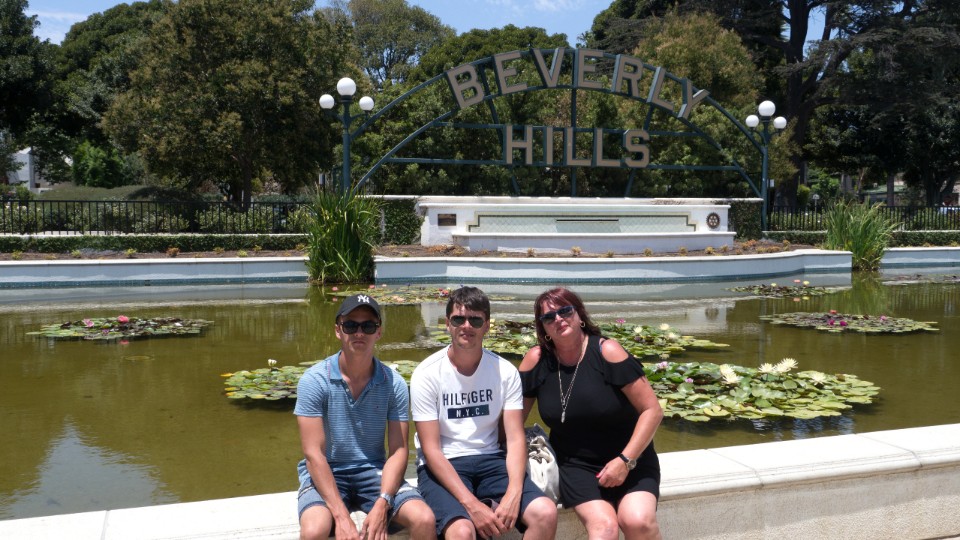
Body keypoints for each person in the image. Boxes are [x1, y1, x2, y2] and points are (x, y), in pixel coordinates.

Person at [410, 286, 558, 539]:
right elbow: (431, 450)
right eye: (458, 319)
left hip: (491, 460)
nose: (466, 326)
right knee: (462, 531)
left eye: (475, 320)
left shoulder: (505, 371)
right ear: (447, 324)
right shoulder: (426, 374)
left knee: (545, 512)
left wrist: (513, 492)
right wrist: (472, 505)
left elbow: (515, 438)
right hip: (444, 464)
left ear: (487, 326)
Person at [519, 287, 664, 540]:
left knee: (638, 521)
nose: (558, 319)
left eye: (565, 311)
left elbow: (652, 410)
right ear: (543, 327)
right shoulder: (537, 359)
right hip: (576, 465)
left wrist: (625, 461)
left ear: (579, 315)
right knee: (604, 528)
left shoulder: (607, 351)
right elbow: (513, 420)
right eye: (549, 317)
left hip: (631, 458)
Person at [294, 293, 436, 540]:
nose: (359, 333)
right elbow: (313, 454)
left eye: (368, 326)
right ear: (338, 330)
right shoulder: (314, 380)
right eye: (351, 325)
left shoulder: (394, 383)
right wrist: (341, 516)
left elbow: (399, 450)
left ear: (378, 332)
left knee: (424, 518)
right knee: (314, 530)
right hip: (327, 471)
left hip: (374, 471)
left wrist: (383, 502)